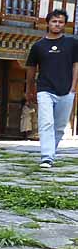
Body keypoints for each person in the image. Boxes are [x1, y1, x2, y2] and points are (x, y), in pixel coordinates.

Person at [26, 9, 78, 169]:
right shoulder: (38, 46)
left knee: (60, 127)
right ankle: (46, 157)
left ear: (64, 24)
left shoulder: (72, 43)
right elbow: (31, 68)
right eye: (54, 21)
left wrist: (74, 86)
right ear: (48, 23)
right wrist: (29, 88)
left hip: (66, 90)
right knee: (46, 122)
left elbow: (76, 65)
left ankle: (51, 154)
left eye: (61, 22)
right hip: (45, 89)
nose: (57, 24)